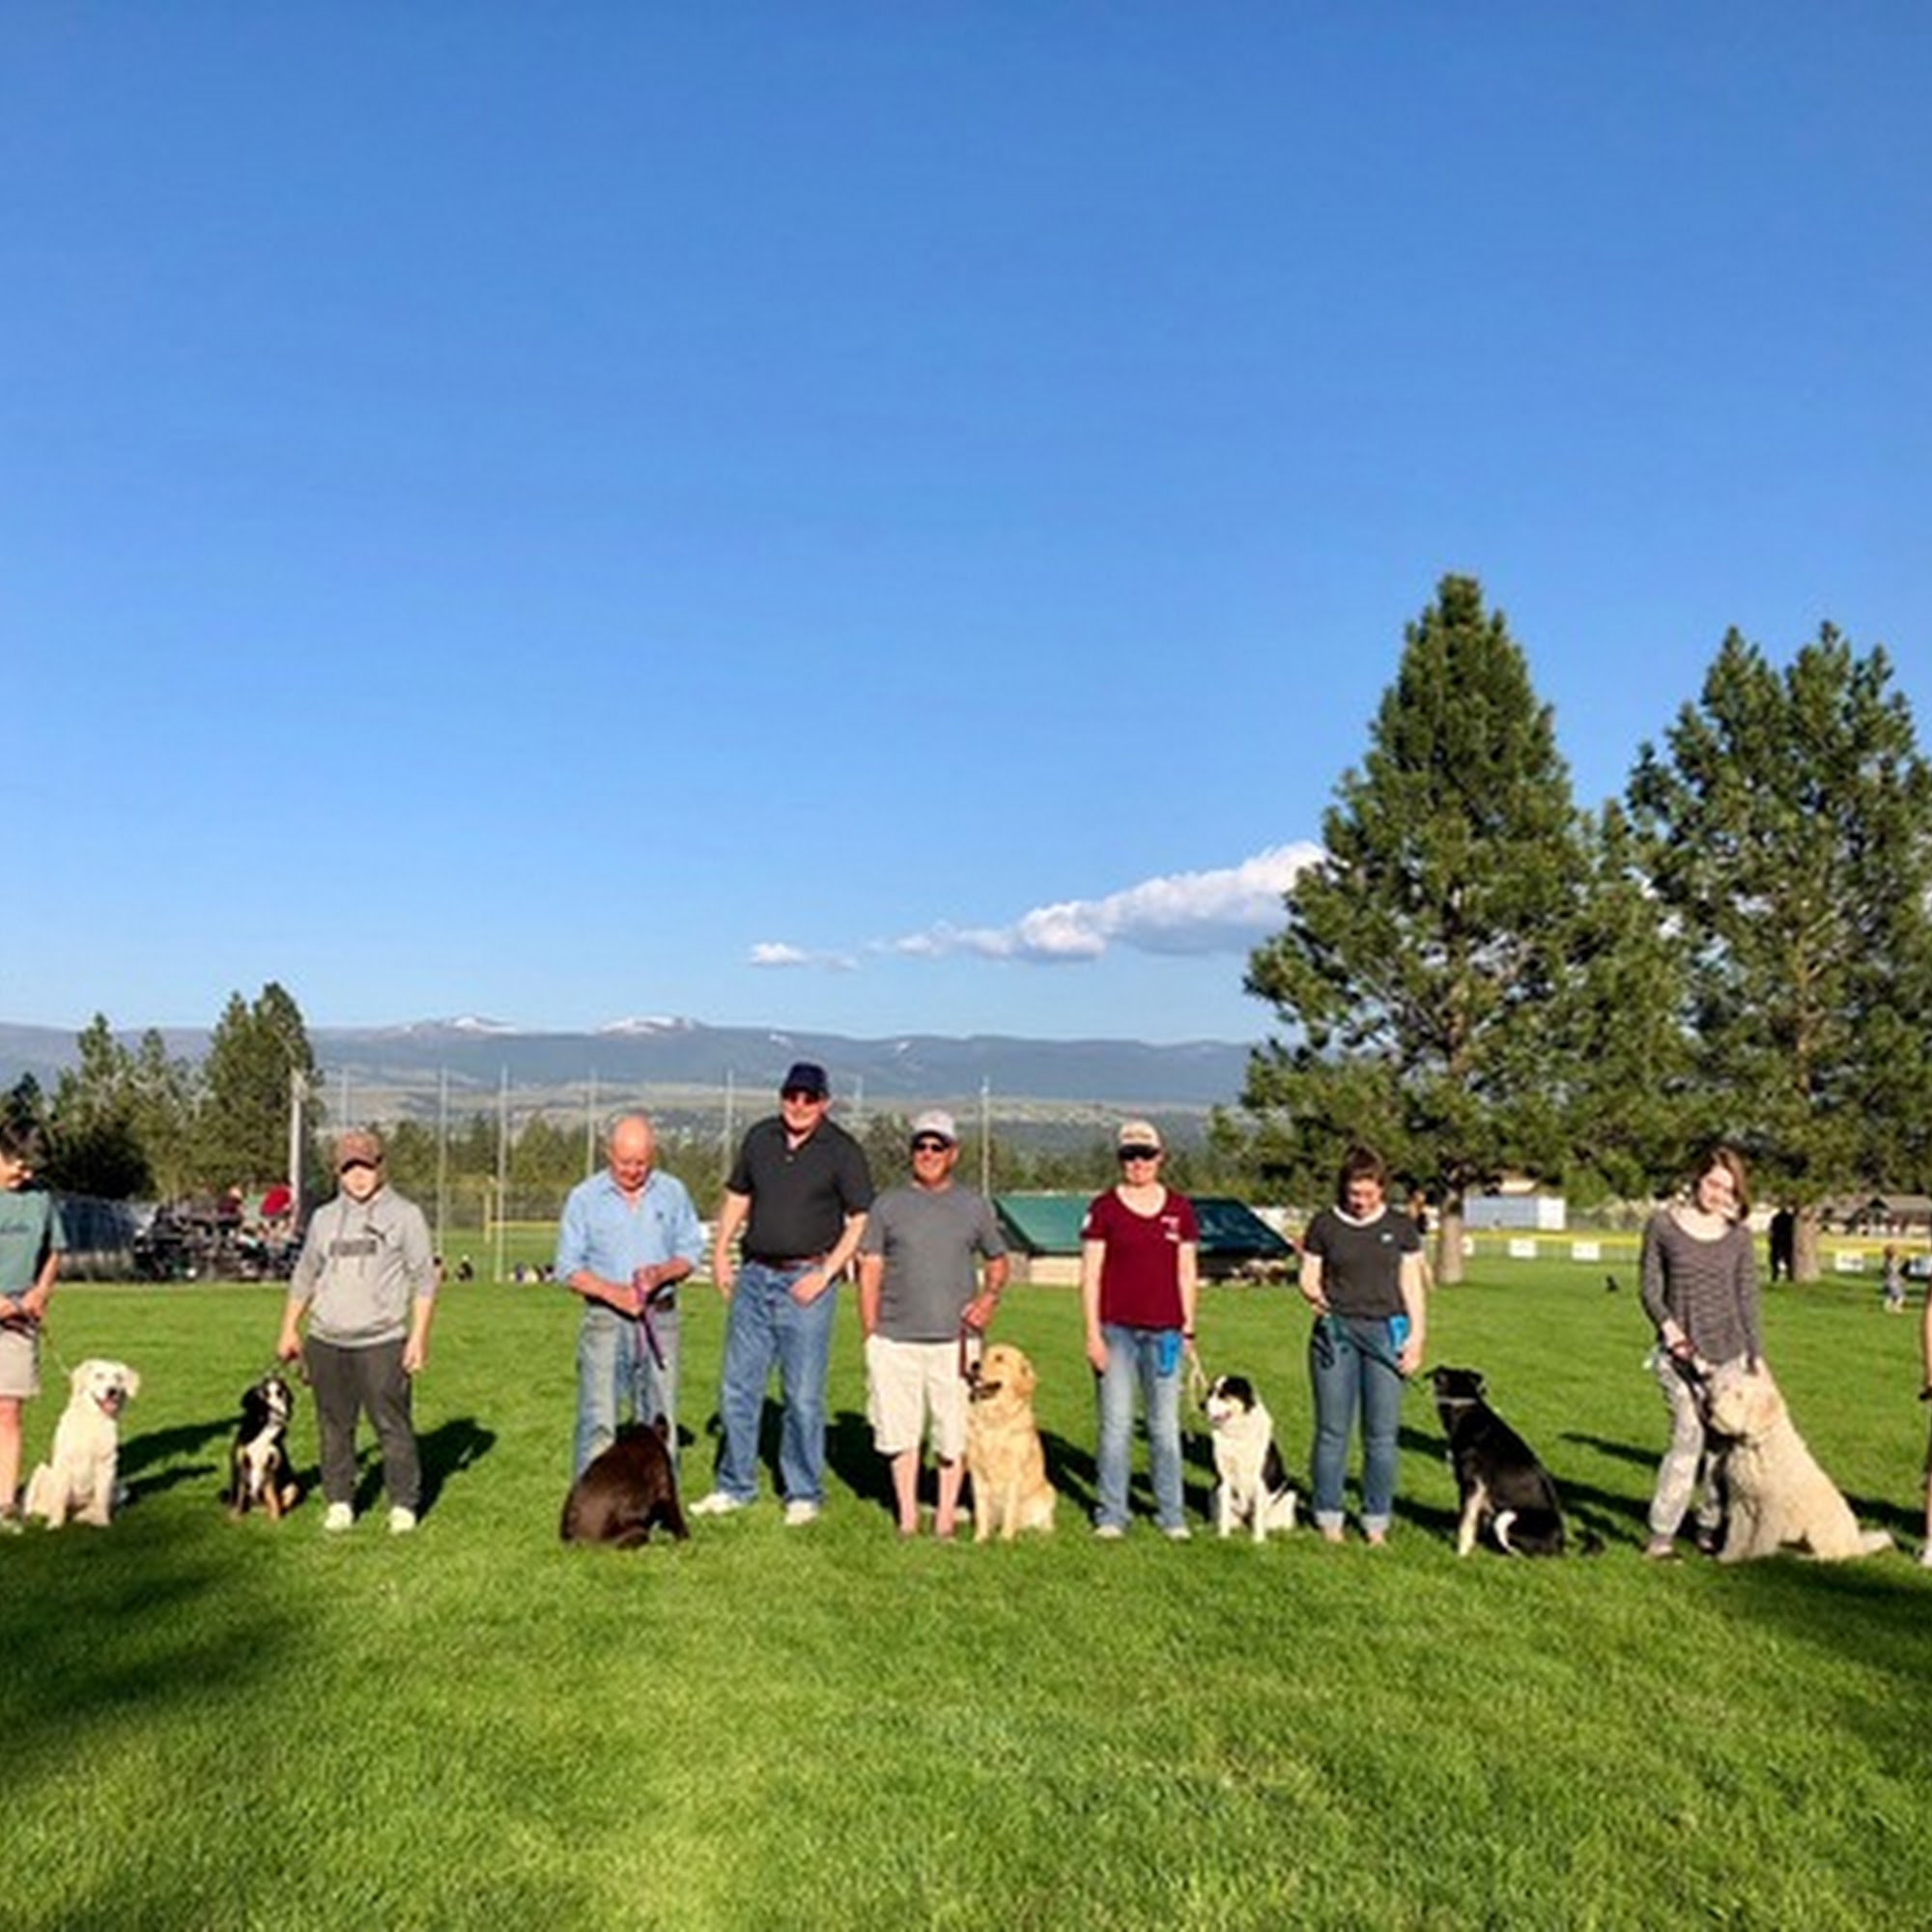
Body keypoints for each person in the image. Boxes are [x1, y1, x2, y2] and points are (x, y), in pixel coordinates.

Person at [693, 1062, 873, 1525]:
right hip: (754, 1277)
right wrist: (719, 1254)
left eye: (809, 1098)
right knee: (738, 1386)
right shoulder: (760, 1139)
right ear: (781, 1097)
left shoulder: (843, 1151)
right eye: (792, 1096)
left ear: (824, 1102)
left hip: (807, 1281)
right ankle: (734, 1484)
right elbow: (738, 1196)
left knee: (802, 1395)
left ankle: (802, 1492)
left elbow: (860, 1220)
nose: (799, 1105)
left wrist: (827, 1271)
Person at [277, 1126, 438, 1534]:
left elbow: (424, 1279)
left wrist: (417, 1337)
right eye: (349, 1168)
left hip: (382, 1341)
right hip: (326, 1341)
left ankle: (403, 1502)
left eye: (365, 1166)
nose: (358, 1176)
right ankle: (340, 1501)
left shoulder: (405, 1216)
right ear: (338, 1172)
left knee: (392, 1426)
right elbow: (305, 1275)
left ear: (380, 1166)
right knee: (334, 1426)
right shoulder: (324, 1219)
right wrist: (289, 1329)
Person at [856, 1110, 1008, 1539]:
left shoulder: (974, 1206)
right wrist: (870, 1332)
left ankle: (944, 1518)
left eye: (936, 1146)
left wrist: (988, 1300)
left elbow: (998, 1262)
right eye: (920, 1145)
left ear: (953, 1153)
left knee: (954, 1432)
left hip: (955, 1341)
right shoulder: (887, 1205)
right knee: (898, 1431)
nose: (927, 1153)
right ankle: (906, 1516)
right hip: (894, 1338)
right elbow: (870, 1269)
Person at [555, 1113, 704, 1478]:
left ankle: (657, 1499)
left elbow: (690, 1253)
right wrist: (614, 1293)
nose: (634, 1170)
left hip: (660, 1319)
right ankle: (593, 1506)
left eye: (641, 1162)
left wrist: (661, 1273)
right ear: (609, 1153)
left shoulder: (672, 1192)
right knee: (599, 1417)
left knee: (659, 1415)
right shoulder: (584, 1198)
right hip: (605, 1320)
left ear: (652, 1155)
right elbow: (568, 1269)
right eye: (625, 1162)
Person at [1637, 1142, 1761, 1561]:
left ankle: (1709, 1526)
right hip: (1680, 1356)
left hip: (1729, 1355)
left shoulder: (1738, 1237)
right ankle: (1661, 1537)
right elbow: (1650, 1289)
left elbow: (1747, 1297)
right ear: (1697, 1178)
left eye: (1729, 1189)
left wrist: (1755, 1357)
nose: (1719, 1195)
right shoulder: (1663, 1226)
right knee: (1687, 1436)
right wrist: (1670, 1329)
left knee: (1720, 1447)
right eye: (1713, 1184)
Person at [1298, 1146, 1426, 1547]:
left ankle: (1375, 1521)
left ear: (1381, 1189)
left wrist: (1416, 1338)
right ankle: (1329, 1516)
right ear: (1344, 1189)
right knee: (1333, 1431)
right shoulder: (1324, 1225)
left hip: (1386, 1332)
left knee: (1381, 1435)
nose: (1361, 1202)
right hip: (1337, 1333)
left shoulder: (1401, 1227)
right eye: (1355, 1194)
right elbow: (1308, 1274)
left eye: (1369, 1194)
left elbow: (1412, 1285)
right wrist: (1314, 1296)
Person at [1081, 1119, 1199, 1541]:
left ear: (1160, 1157)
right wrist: (1092, 1334)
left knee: (1164, 1427)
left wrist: (1188, 1329)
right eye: (1130, 1156)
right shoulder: (1104, 1208)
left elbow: (1187, 1271)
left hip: (1166, 1331)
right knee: (1114, 1424)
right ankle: (1112, 1513)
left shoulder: (1180, 1209)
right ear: (1120, 1160)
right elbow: (1090, 1276)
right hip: (1116, 1332)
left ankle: (1172, 1514)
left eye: (1145, 1155)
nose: (1138, 1163)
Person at [0, 1124, 62, 1534]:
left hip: (18, 1319)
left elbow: (55, 1251)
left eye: (31, 1171)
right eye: (19, 1168)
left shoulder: (41, 1199)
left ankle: (4, 1503)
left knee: (8, 1410)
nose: (25, 1178)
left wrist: (41, 1291)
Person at [1767, 1205, 1796, 1284]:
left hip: (1778, 1240)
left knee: (1776, 1259)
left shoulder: (1776, 1218)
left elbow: (1771, 1230)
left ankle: (1775, 1276)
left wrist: (1770, 1239)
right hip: (1786, 1241)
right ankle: (1789, 1276)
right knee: (1788, 1259)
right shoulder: (1790, 1218)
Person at [1882, 1244, 1906, 1315]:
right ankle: (1896, 1307)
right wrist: (1902, 1262)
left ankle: (1886, 1306)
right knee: (1901, 1296)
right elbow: (1895, 1270)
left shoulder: (1886, 1261)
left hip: (1888, 1281)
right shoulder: (1892, 1262)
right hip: (1893, 1281)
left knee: (1890, 1295)